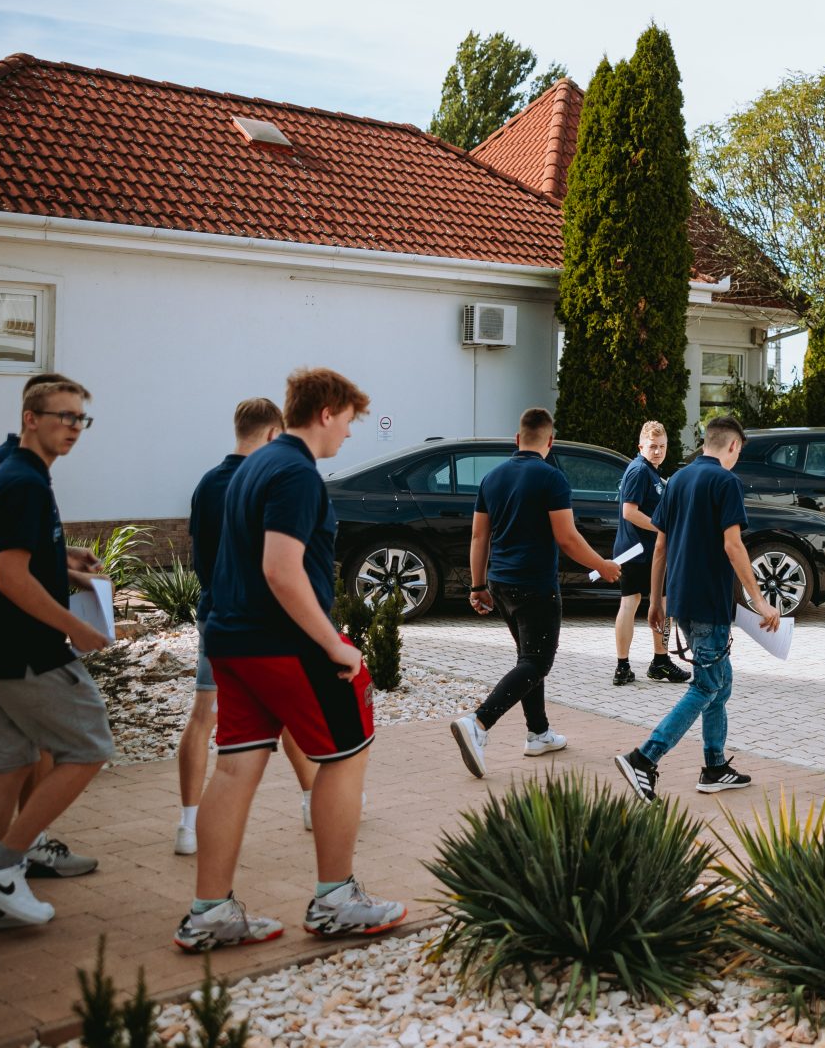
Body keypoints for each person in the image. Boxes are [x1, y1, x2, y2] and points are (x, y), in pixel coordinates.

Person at [176, 367, 404, 952]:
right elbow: (281, 568)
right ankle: (334, 900)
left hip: (230, 640)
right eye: (350, 420)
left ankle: (209, 912)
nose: (350, 434)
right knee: (347, 755)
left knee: (233, 769)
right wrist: (333, 641)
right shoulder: (298, 473)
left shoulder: (254, 465)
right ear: (326, 412)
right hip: (285, 645)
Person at [0, 378, 111, 934]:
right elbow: (9, 578)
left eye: (80, 419)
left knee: (10, 762)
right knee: (89, 745)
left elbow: (4, 547)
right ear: (31, 417)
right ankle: (0, 870)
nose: (73, 427)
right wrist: (78, 629)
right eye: (63, 416)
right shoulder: (23, 481)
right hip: (22, 650)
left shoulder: (7, 465)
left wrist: (61, 558)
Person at [175, 397, 320, 857]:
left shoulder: (206, 484)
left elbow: (199, 555)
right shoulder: (267, 482)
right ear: (275, 434)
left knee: (203, 717)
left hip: (213, 613)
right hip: (259, 621)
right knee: (292, 712)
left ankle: (187, 825)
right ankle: (313, 802)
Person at [613, 416, 780, 803]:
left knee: (721, 682)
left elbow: (660, 547)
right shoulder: (726, 482)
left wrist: (656, 600)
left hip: (682, 599)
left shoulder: (678, 481)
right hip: (708, 601)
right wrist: (760, 601)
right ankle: (644, 758)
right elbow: (734, 546)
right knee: (707, 685)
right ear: (734, 446)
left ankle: (715, 766)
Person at [450, 409, 623, 780]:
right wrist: (603, 565)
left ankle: (539, 733)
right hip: (535, 585)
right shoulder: (552, 478)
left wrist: (478, 586)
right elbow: (567, 537)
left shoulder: (492, 478)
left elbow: (480, 537)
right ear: (549, 442)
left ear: (517, 439)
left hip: (500, 583)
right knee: (537, 662)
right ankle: (479, 723)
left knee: (528, 658)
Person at [610, 421, 688, 687]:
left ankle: (659, 661)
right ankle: (627, 665)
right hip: (637, 551)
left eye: (662, 446)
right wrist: (660, 527)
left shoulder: (651, 472)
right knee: (633, 604)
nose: (658, 451)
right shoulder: (639, 471)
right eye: (652, 447)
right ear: (640, 446)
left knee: (660, 605)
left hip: (648, 551)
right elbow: (629, 512)